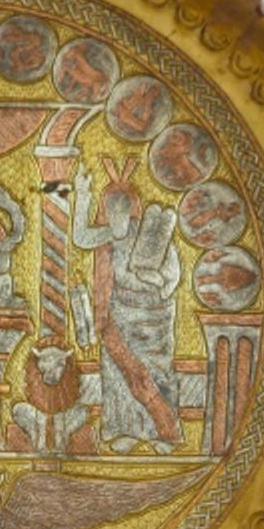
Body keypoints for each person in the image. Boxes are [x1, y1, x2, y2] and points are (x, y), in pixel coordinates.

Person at [72, 159, 182, 454]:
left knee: (156, 372)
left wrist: (158, 280)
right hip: (119, 316)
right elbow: (81, 237)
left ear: (132, 212)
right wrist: (82, 195)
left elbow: (173, 272)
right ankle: (125, 429)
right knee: (117, 376)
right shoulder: (110, 233)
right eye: (111, 217)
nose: (116, 224)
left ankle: (162, 433)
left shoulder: (151, 234)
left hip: (152, 318)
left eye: (121, 217)